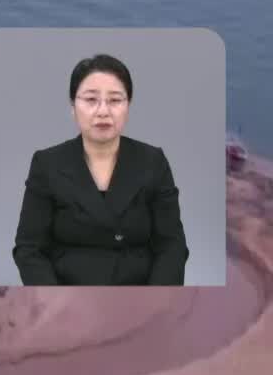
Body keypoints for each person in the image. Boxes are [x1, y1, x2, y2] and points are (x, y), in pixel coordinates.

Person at [12, 54, 187, 285]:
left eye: (115, 100)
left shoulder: (153, 162)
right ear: (73, 106)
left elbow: (172, 246)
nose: (103, 111)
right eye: (91, 99)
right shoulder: (47, 164)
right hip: (66, 301)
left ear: (128, 106)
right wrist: (53, 301)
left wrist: (157, 301)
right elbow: (29, 249)